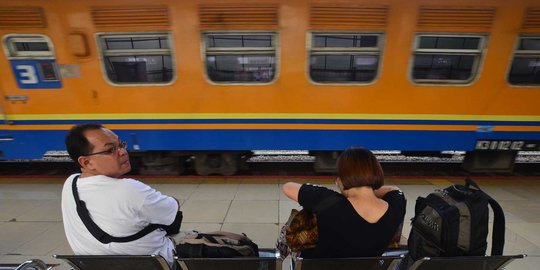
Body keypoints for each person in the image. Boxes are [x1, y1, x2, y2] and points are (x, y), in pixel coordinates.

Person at [61, 123, 182, 268]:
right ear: (87, 162)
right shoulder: (130, 189)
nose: (123, 152)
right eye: (110, 150)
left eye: (120, 145)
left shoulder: (70, 183)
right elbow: (172, 209)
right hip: (154, 265)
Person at [282, 147, 406, 258]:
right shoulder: (395, 206)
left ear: (342, 179)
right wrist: (367, 187)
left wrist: (341, 191)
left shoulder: (328, 201)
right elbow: (394, 189)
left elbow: (287, 187)